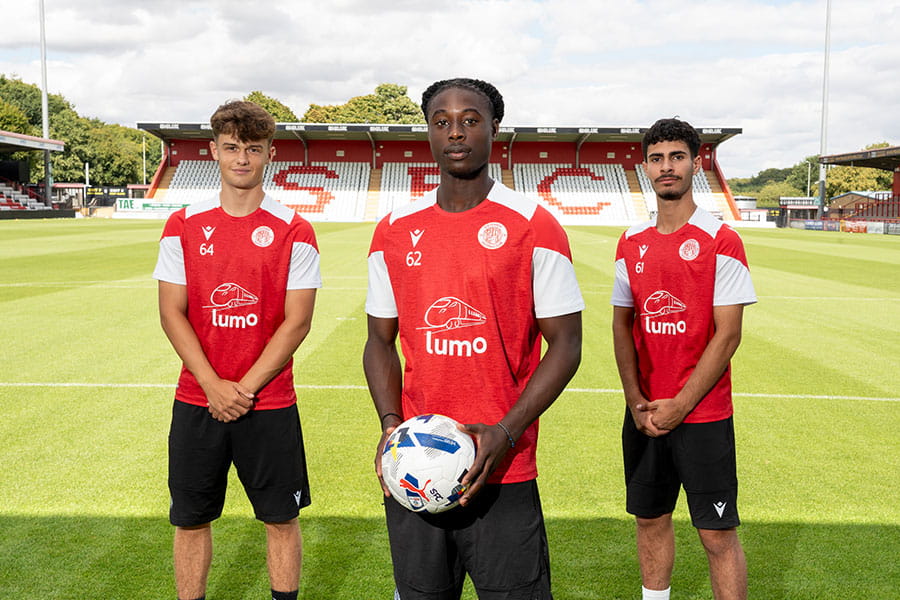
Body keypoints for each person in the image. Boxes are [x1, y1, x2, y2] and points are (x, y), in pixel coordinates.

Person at [363, 77, 584, 600]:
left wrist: (505, 433)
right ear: (428, 133)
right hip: (415, 466)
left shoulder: (535, 226)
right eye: (442, 121)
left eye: (470, 120)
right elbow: (378, 340)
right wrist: (391, 425)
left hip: (503, 467)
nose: (455, 132)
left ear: (494, 130)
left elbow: (568, 344)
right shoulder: (393, 229)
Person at [153, 100, 321, 600]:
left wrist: (242, 390)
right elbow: (171, 313)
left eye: (252, 148)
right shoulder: (182, 224)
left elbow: (298, 322)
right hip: (197, 400)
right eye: (231, 148)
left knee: (281, 518)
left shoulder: (295, 228)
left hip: (268, 403)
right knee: (190, 520)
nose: (241, 159)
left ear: (270, 153)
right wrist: (212, 385)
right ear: (213, 152)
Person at [610, 118, 757, 600]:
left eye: (676, 157)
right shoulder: (630, 241)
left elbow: (727, 335)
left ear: (696, 162)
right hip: (645, 414)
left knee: (717, 534)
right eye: (656, 158)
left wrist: (681, 405)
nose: (666, 167)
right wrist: (636, 401)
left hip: (703, 415)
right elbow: (622, 325)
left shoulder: (721, 239)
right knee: (649, 520)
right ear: (645, 166)